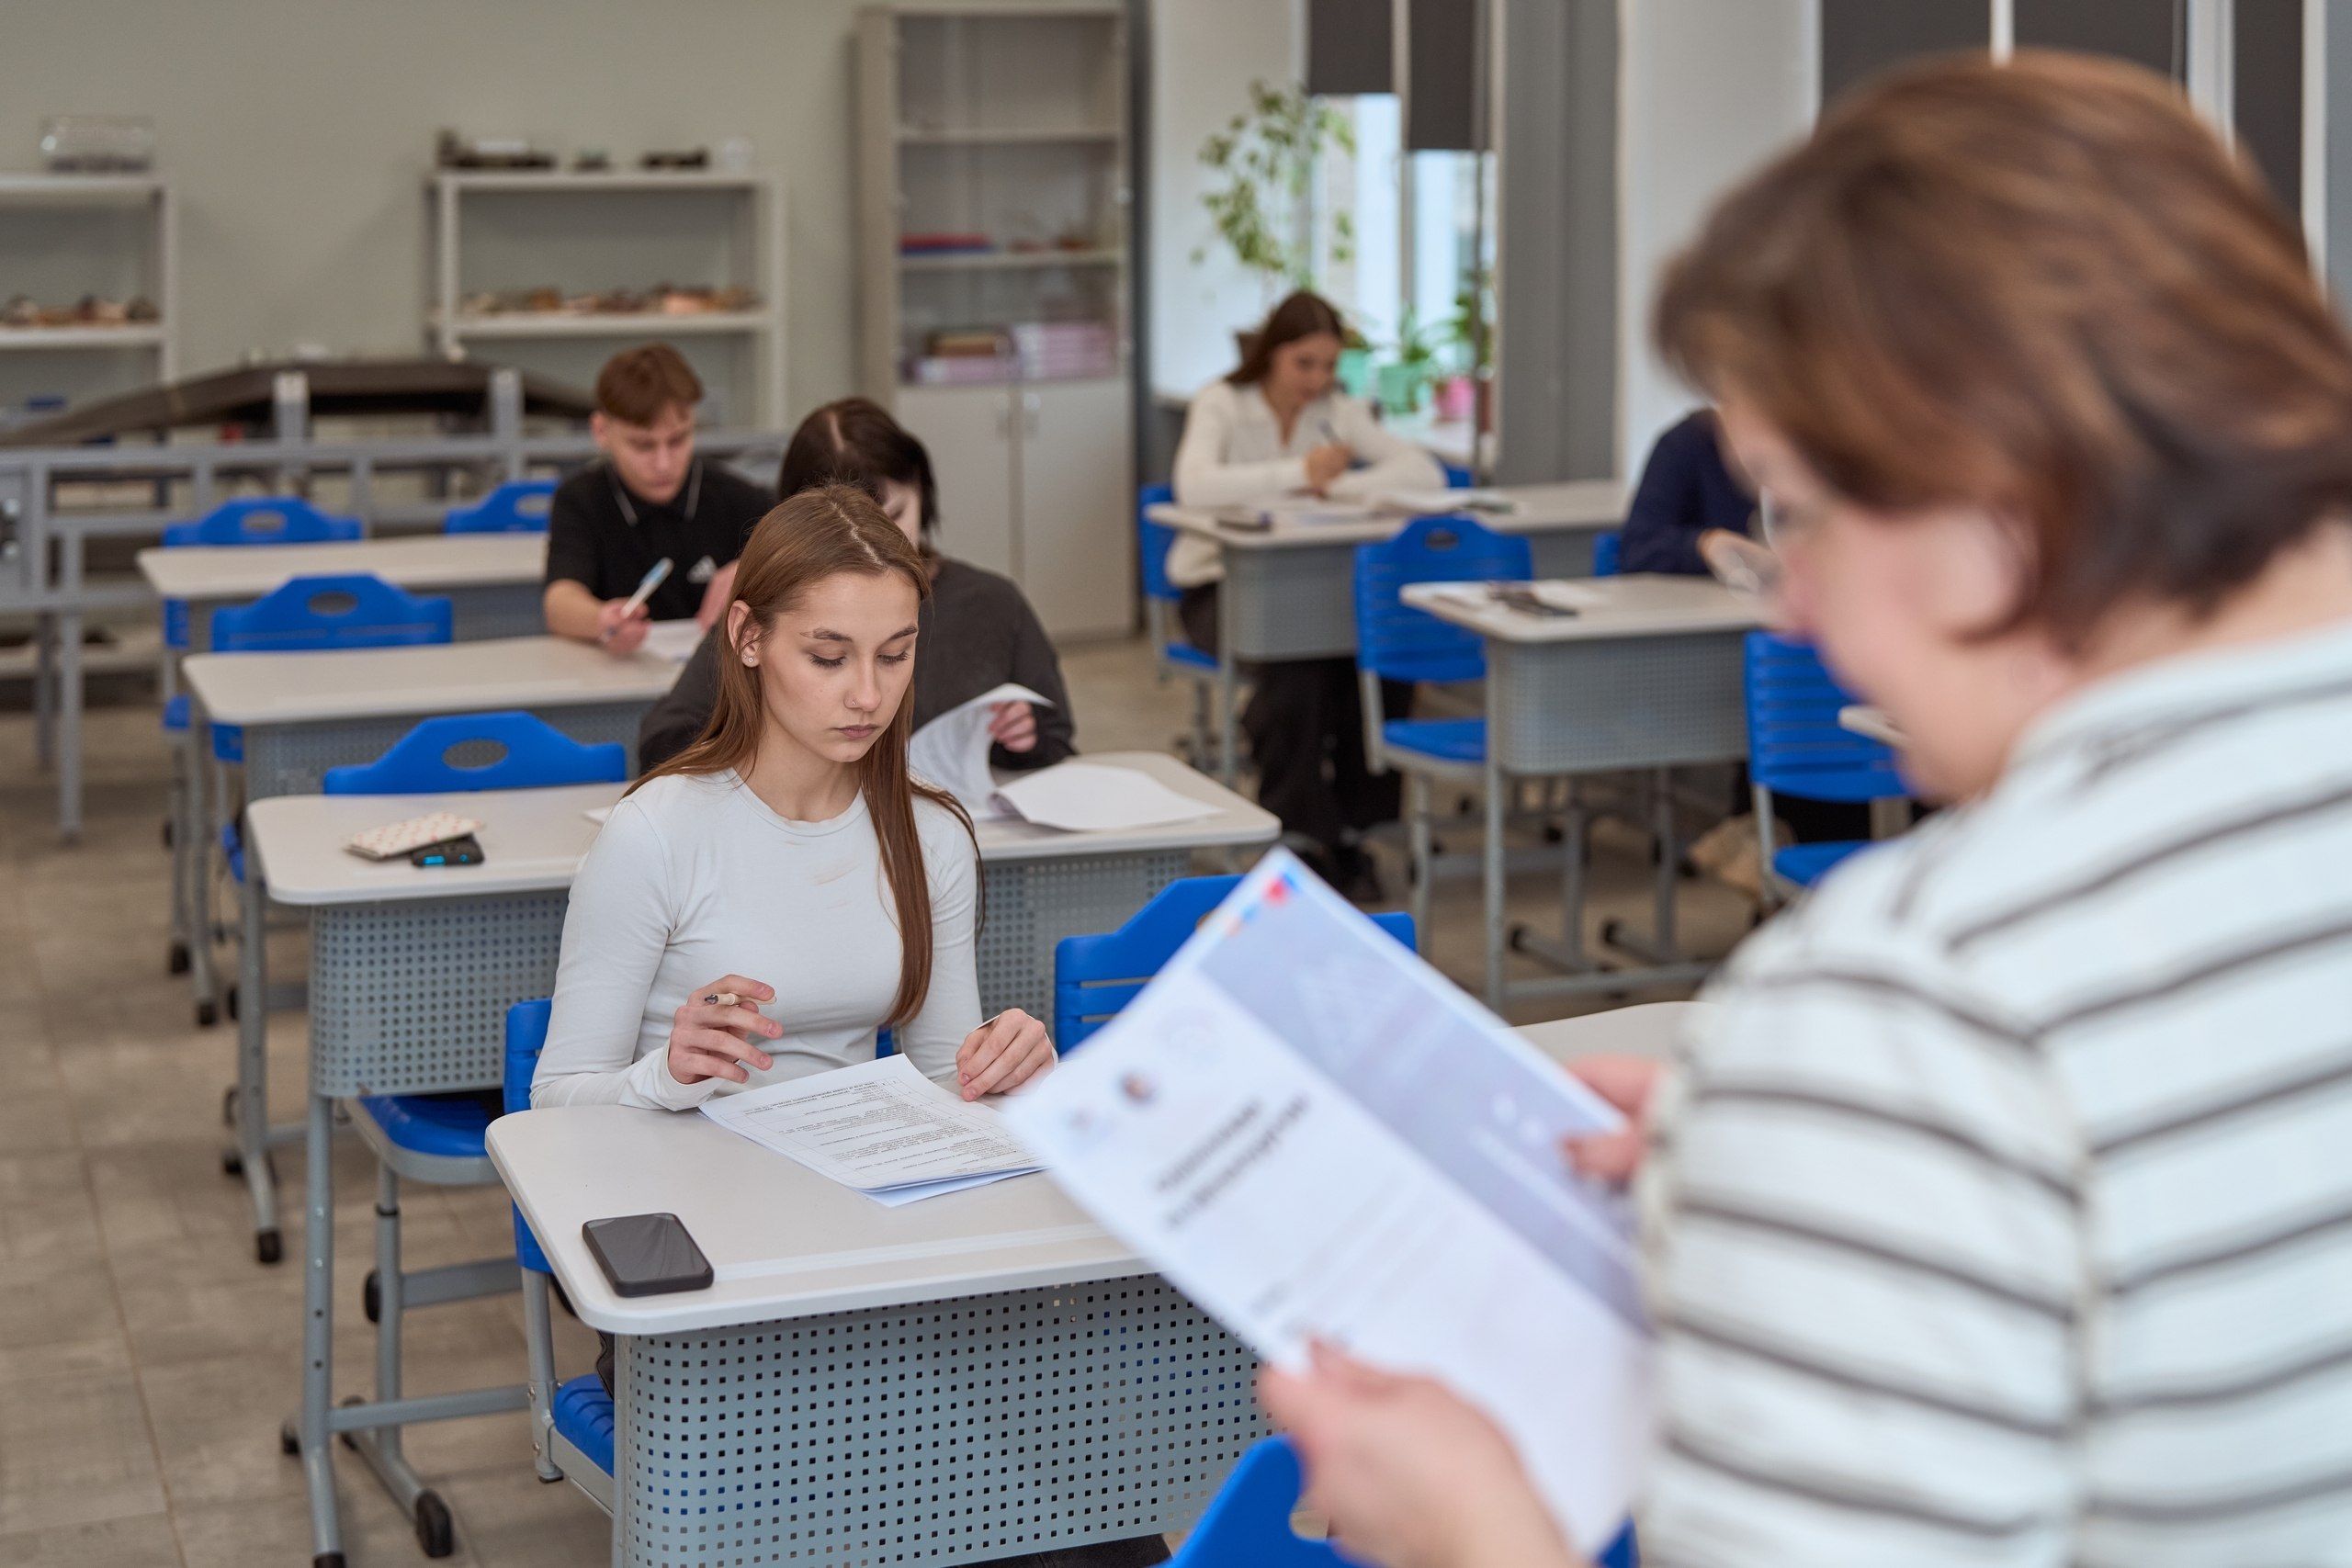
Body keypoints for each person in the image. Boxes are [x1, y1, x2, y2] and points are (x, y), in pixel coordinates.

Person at [1259, 53, 2352, 1567]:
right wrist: (1794, 1149)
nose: (1801, 605)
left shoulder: (1917, 1004)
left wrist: (1476, 1543)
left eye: (1809, 511)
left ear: (1996, 480)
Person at [1169, 290, 1445, 899]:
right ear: (1272, 355)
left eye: (1328, 366)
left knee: (1376, 670)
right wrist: (1300, 474)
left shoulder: (1338, 410)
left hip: (1318, 595)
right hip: (1222, 588)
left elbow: (1423, 472)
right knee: (1297, 675)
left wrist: (1342, 488)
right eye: (1305, 364)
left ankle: (1354, 829)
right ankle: (1301, 835)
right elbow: (1194, 488)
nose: (1317, 380)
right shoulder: (1222, 403)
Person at [639, 397, 1074, 773]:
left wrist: (1023, 737)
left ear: (923, 492)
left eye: (894, 653)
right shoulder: (774, 611)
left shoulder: (992, 602)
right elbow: (666, 743)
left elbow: (1055, 738)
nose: (878, 547)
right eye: (829, 657)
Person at [542, 344, 773, 656]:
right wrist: (600, 619)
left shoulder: (735, 497)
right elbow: (560, 600)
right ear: (601, 430)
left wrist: (758, 568)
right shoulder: (580, 500)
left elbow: (813, 553)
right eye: (642, 446)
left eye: (678, 440)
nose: (664, 463)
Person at [1617, 407, 1757, 576]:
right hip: (1701, 595)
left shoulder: (1791, 447)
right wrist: (1707, 545)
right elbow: (1637, 552)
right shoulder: (1683, 444)